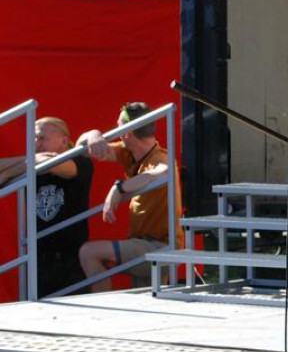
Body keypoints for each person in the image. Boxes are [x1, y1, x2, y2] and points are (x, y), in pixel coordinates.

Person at [77, 102, 183, 292]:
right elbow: (81, 149)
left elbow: (161, 172)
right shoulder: (128, 152)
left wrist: (118, 188)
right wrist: (93, 134)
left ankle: (102, 310)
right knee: (148, 303)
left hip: (161, 246)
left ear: (127, 132)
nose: (115, 131)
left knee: (89, 252)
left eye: (118, 126)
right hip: (141, 242)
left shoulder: (161, 157)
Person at [0, 117, 93, 296]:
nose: (37, 142)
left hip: (69, 257)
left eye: (43, 138)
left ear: (64, 141)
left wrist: (8, 174)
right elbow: (36, 161)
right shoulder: (29, 166)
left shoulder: (80, 161)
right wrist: (31, 159)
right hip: (38, 257)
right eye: (34, 138)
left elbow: (49, 164)